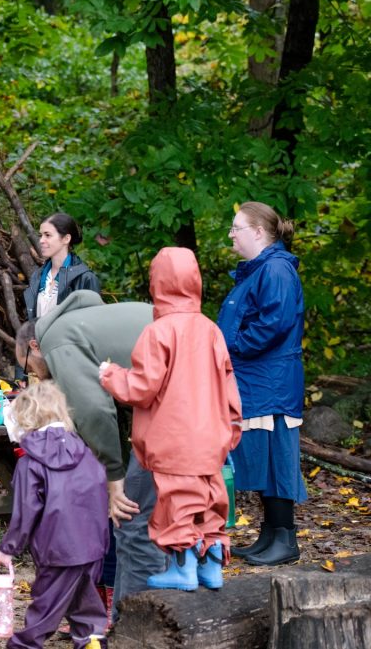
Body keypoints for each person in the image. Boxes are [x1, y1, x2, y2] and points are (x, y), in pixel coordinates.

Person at [99, 248, 243, 591]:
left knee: (177, 503)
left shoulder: (159, 332)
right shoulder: (210, 330)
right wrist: (232, 427)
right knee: (209, 500)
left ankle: (184, 570)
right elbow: (229, 385)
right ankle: (211, 568)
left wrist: (110, 374)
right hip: (211, 437)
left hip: (172, 439)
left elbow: (141, 388)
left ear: (157, 283)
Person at [16, 290, 163, 615]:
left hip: (173, 405)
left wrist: (114, 476)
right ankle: (135, 610)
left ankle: (142, 621)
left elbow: (95, 412)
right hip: (182, 394)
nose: (37, 376)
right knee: (162, 516)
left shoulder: (58, 339)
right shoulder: (82, 324)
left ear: (34, 347)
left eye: (28, 366)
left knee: (132, 518)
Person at [217, 202, 306, 566]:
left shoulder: (277, 270)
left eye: (237, 227)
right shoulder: (258, 271)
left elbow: (274, 324)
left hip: (272, 382)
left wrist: (231, 347)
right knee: (265, 460)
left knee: (277, 458)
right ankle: (269, 534)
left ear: (258, 232)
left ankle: (285, 538)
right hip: (257, 379)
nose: (231, 234)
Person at [0, 381, 108, 649]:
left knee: (45, 609)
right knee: (86, 607)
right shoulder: (86, 453)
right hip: (93, 546)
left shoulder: (30, 463)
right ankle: (91, 642)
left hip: (57, 550)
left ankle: (24, 645)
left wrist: (8, 549)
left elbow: (26, 511)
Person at [23, 213, 100, 321]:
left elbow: (93, 323)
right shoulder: (38, 276)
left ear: (66, 239)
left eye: (48, 235)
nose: (41, 240)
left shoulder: (85, 278)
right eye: (41, 235)